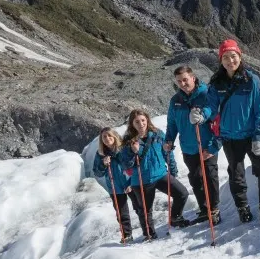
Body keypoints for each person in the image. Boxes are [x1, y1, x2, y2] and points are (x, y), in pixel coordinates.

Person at [207, 40, 260, 224]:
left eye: (233, 56)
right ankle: (242, 207)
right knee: (236, 175)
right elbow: (211, 107)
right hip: (230, 137)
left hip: (252, 135)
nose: (230, 61)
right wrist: (202, 114)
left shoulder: (252, 80)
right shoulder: (216, 83)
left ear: (240, 56)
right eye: (226, 57)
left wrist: (259, 137)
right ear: (221, 60)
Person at [164, 65, 222, 225]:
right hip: (188, 147)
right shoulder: (176, 100)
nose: (182, 83)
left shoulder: (206, 94)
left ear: (193, 78)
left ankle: (214, 209)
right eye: (179, 81)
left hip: (206, 145)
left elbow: (218, 120)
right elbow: (172, 123)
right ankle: (204, 209)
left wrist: (214, 146)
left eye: (185, 79)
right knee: (196, 179)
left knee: (209, 177)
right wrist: (169, 140)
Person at [121, 109, 190, 239]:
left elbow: (167, 153)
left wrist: (173, 170)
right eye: (137, 122)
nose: (141, 124)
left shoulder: (158, 134)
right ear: (132, 124)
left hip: (160, 174)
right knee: (146, 210)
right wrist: (133, 151)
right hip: (142, 179)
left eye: (143, 120)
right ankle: (149, 234)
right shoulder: (128, 141)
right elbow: (126, 165)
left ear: (147, 120)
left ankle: (175, 218)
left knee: (182, 193)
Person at [93, 127, 142, 244]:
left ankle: (147, 230)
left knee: (139, 207)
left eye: (109, 135)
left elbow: (134, 165)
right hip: (114, 186)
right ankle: (127, 235)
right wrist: (103, 165)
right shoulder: (100, 154)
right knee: (121, 212)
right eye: (104, 137)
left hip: (130, 182)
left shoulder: (124, 149)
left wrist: (131, 183)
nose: (107, 138)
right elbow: (97, 172)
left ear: (114, 136)